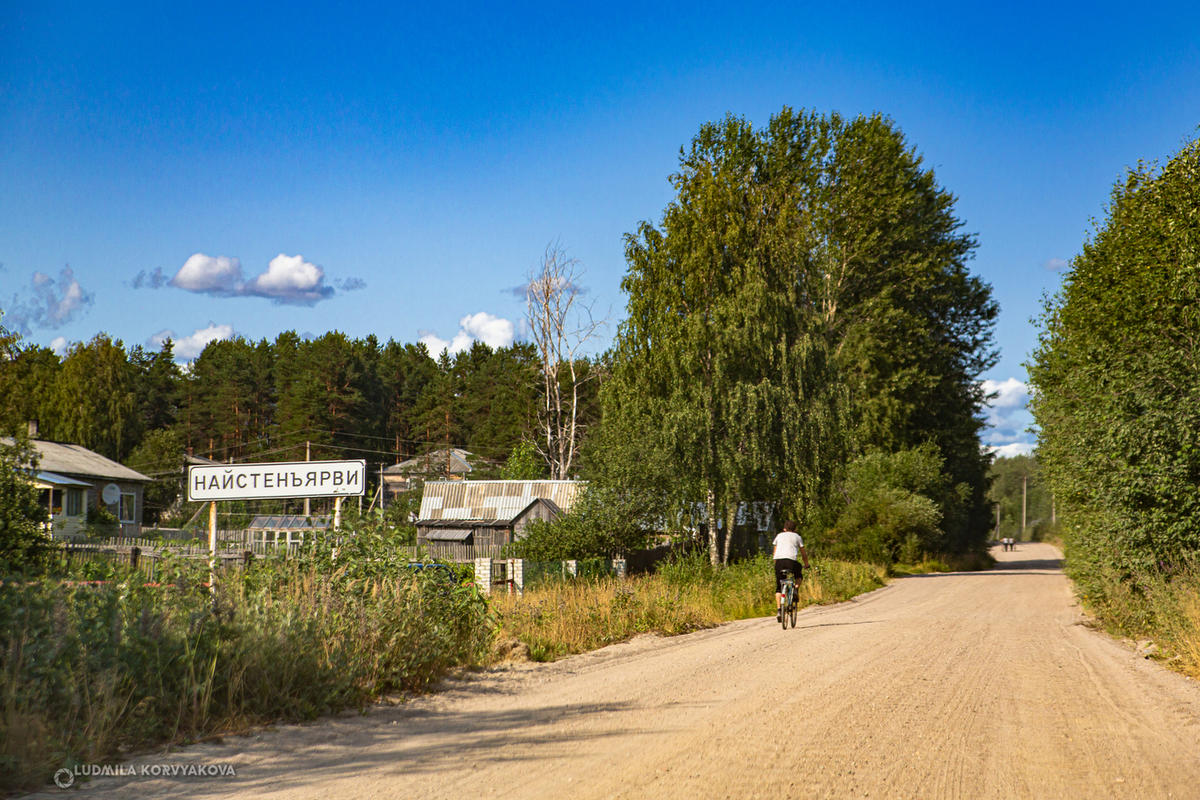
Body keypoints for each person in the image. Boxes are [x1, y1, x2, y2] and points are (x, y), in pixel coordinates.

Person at [773, 520, 811, 619]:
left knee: (778, 587)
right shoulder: (797, 537)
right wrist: (806, 564)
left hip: (779, 563)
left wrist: (776, 564)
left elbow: (775, 551)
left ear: (784, 529)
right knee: (799, 575)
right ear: (795, 529)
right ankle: (796, 589)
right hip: (791, 562)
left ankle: (779, 611)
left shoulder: (779, 536)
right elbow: (803, 554)